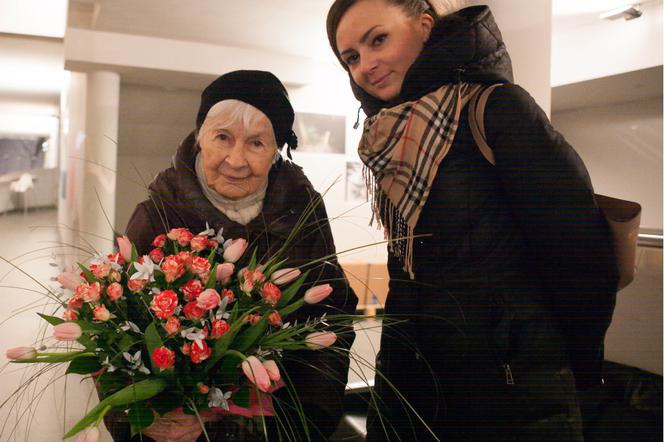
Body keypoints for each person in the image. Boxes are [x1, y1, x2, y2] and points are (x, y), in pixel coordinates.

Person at [327, 1, 619, 441]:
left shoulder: (496, 106)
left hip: (506, 386)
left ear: (425, 25)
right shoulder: (385, 134)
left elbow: (580, 255)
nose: (365, 65)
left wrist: (566, 367)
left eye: (378, 39)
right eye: (351, 57)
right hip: (409, 379)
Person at [105, 70, 358, 441]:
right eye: (222, 137)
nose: (236, 160)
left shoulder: (303, 212)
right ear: (200, 137)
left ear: (276, 151)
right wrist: (145, 419)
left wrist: (305, 420)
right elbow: (116, 325)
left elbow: (330, 317)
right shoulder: (157, 214)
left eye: (256, 143)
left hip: (277, 424)